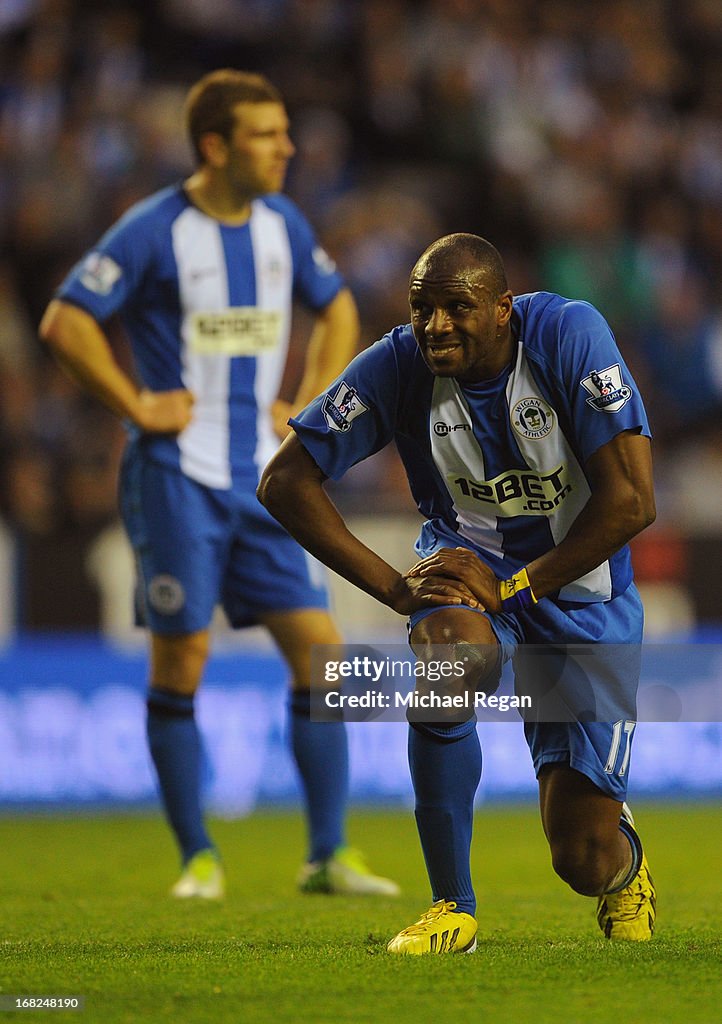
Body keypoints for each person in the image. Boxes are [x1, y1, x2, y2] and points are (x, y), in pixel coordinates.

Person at [40, 69, 398, 900]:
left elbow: (338, 305)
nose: (288, 147)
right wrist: (133, 402)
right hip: (177, 477)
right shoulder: (154, 229)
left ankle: (328, 855)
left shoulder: (282, 223)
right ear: (215, 146)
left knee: (322, 656)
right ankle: (198, 856)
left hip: (265, 480)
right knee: (184, 657)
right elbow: (65, 321)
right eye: (268, 134)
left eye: (284, 131)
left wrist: (309, 401)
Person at [258, 232, 657, 952]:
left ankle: (627, 871)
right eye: (422, 310)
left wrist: (516, 585)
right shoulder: (399, 364)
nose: (436, 325)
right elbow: (284, 481)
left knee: (583, 858)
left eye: (456, 307)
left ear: (504, 308)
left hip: (583, 595)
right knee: (449, 665)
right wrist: (393, 587)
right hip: (466, 578)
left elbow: (631, 501)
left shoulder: (570, 334)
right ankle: (453, 906)